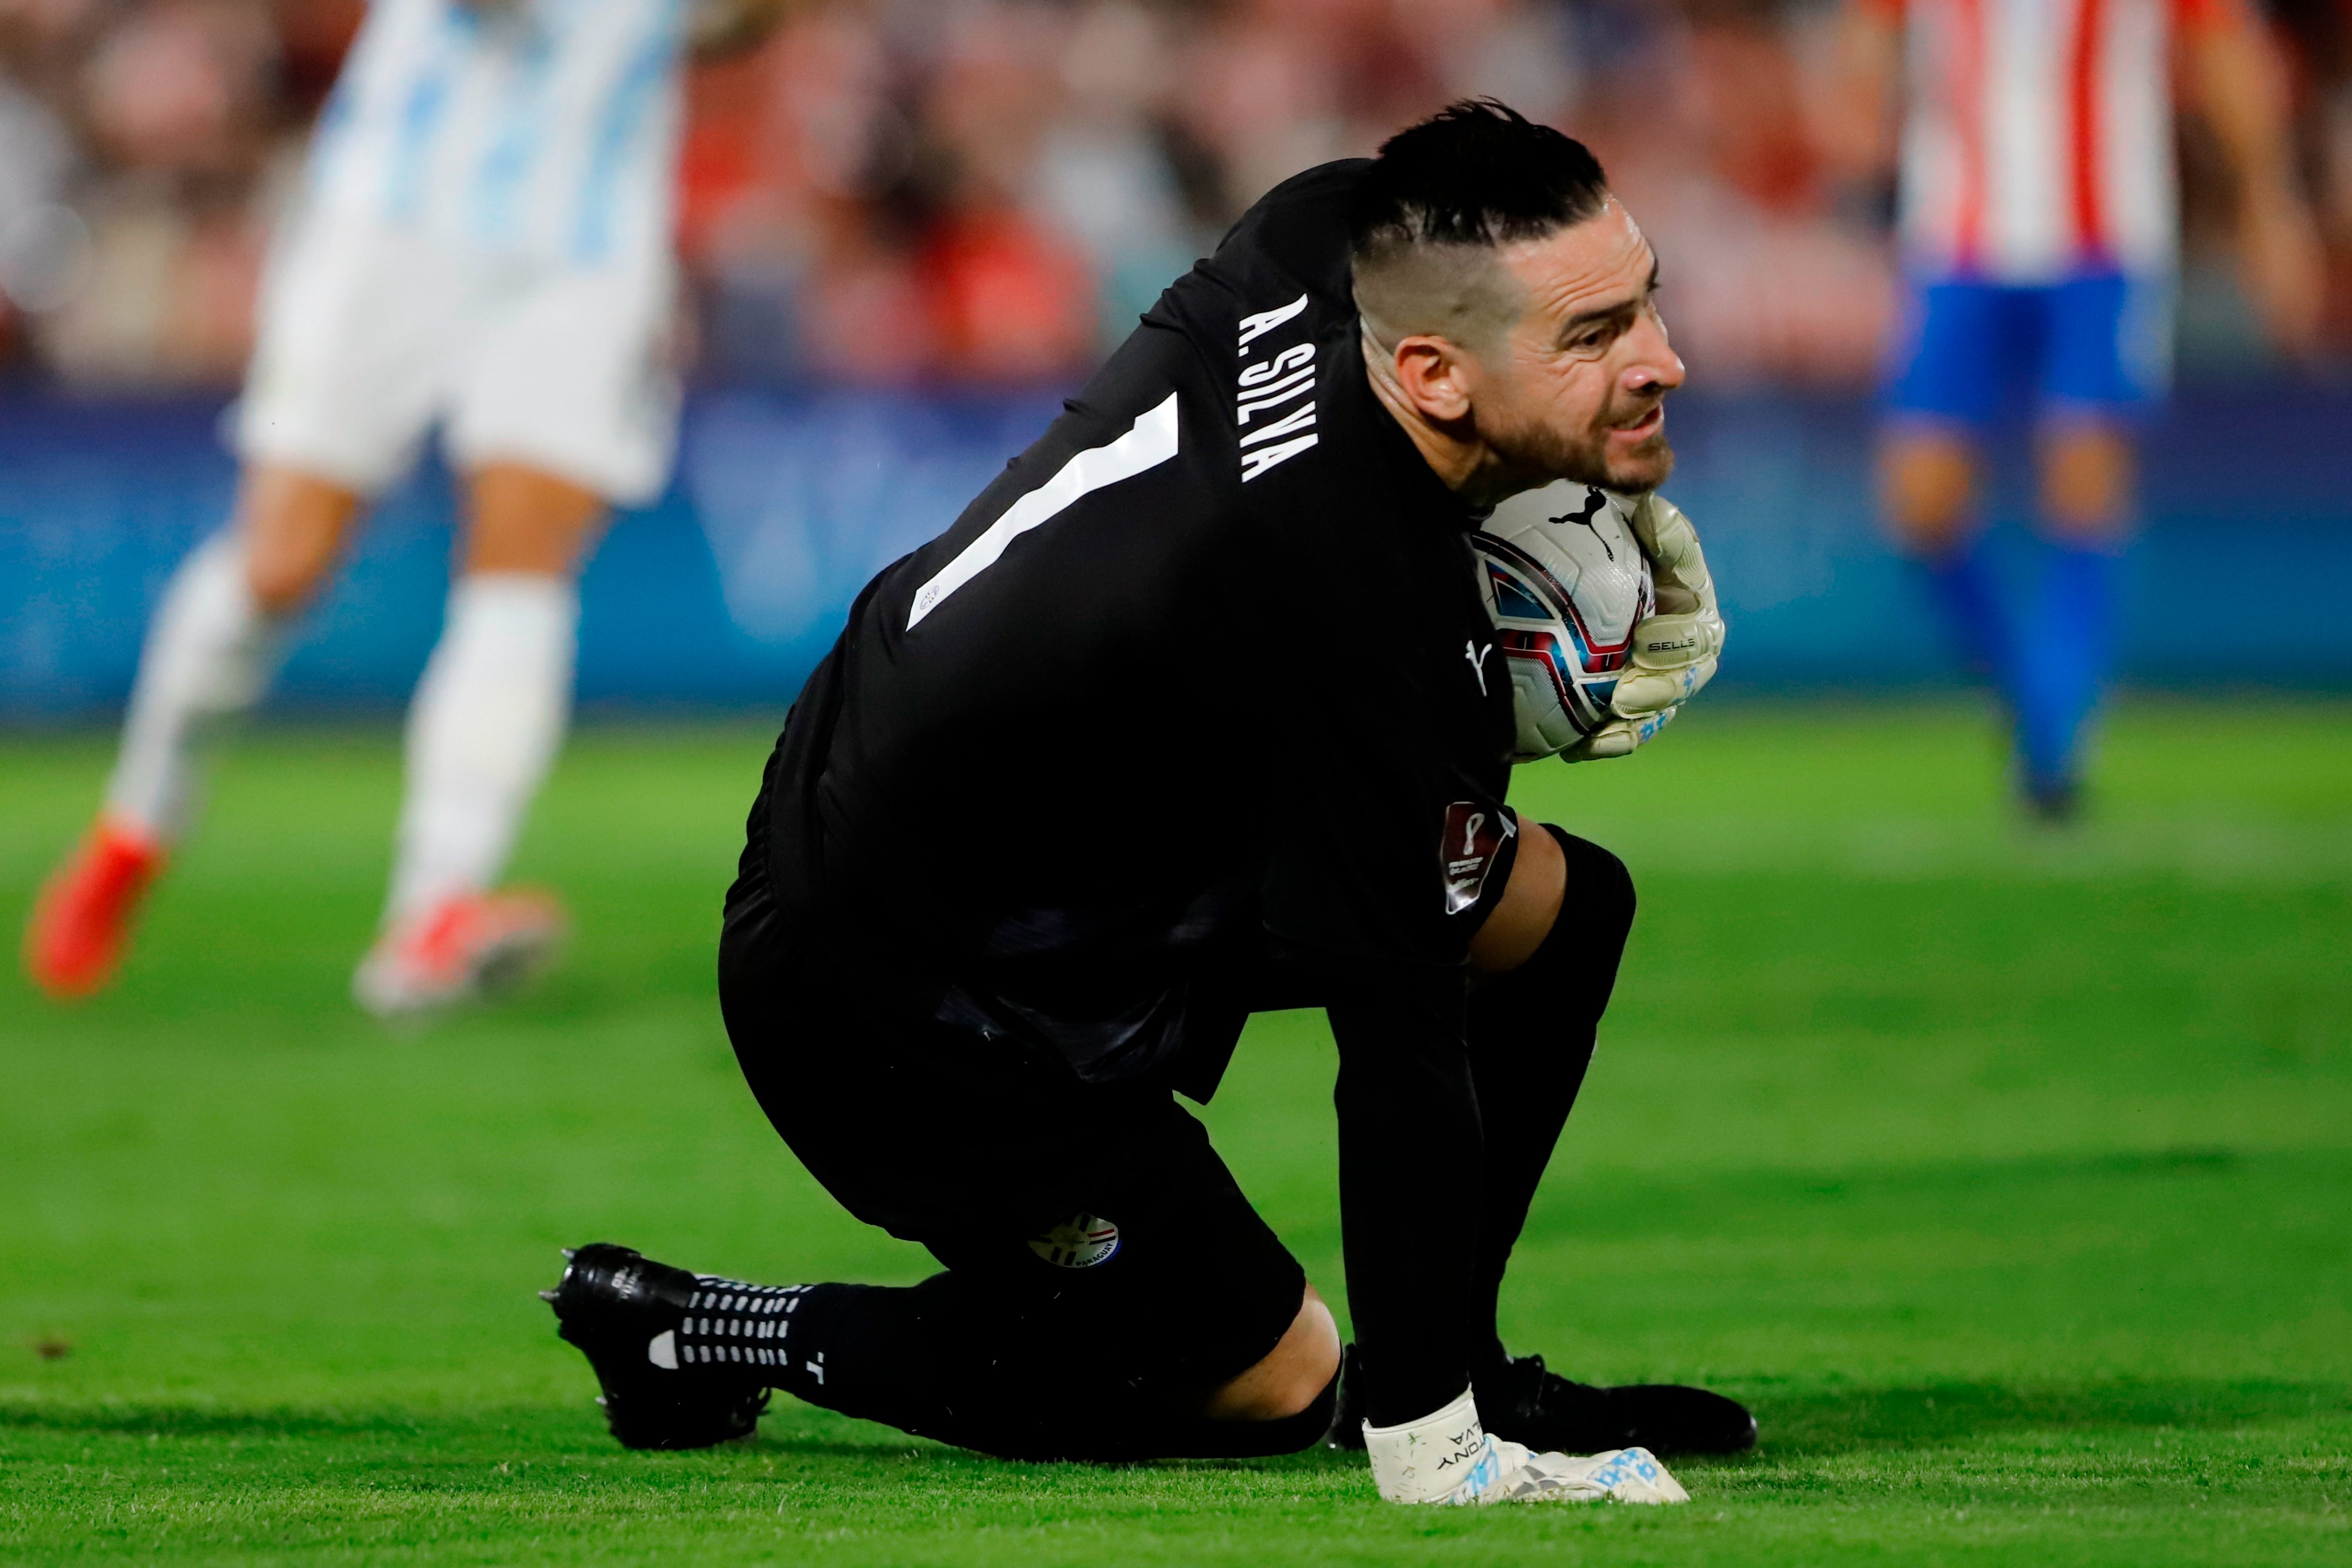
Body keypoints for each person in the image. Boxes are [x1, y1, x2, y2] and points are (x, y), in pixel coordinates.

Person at [544, 102, 1750, 1505]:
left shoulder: (1329, 231)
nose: (1660, 360)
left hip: (983, 804)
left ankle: (1464, 1359)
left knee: (1555, 905)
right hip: (895, 994)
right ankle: (712, 1330)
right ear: (1431, 369)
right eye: (1591, 335)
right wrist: (1435, 1448)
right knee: (1265, 1378)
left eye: (1641, 301)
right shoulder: (1357, 619)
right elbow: (1400, 1047)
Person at [22, 0, 783, 1013]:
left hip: (582, 245)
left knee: (525, 562)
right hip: (397, 221)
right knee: (282, 565)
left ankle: (431, 916)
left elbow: (723, 27)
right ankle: (135, 827)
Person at [1843, 0, 2322, 818]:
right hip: (1955, 241)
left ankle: (2053, 751)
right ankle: (2036, 703)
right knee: (1920, 505)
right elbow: (1868, 59)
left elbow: (2222, 54)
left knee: (2084, 486)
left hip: (2105, 242)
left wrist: (2269, 208)